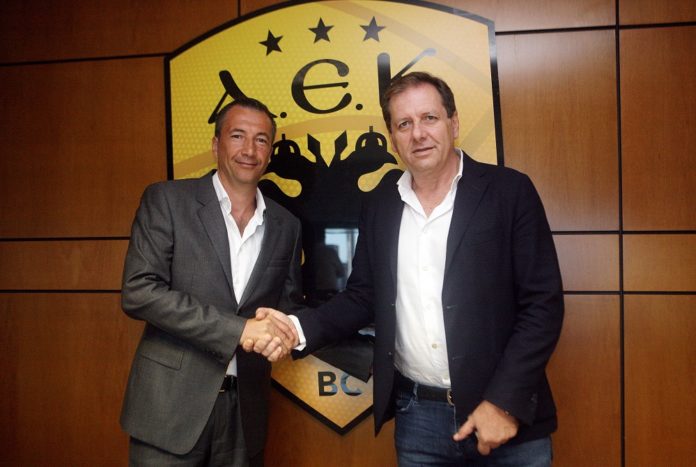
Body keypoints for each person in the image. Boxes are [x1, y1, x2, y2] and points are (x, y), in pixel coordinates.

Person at [252, 72, 564, 465]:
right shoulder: (381, 205)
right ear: (392, 138)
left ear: (453, 123)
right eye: (404, 124)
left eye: (429, 118)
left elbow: (542, 305)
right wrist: (294, 329)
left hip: (504, 418)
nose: (418, 134)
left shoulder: (509, 192)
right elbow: (363, 296)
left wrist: (503, 403)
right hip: (419, 419)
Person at [120, 97, 301, 467]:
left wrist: (287, 333)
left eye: (261, 140)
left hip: (245, 412)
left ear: (270, 153)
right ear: (216, 144)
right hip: (168, 409)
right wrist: (239, 330)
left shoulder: (287, 225)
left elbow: (287, 306)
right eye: (237, 136)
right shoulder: (167, 200)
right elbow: (139, 291)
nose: (249, 150)